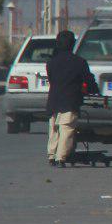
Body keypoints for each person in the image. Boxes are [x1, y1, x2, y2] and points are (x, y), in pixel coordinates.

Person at [45, 30, 99, 167]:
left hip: (54, 100)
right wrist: (95, 91)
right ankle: (61, 157)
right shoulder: (79, 62)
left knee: (54, 128)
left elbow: (52, 80)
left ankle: (51, 155)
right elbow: (89, 80)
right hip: (70, 100)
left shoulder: (51, 63)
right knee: (66, 128)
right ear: (72, 45)